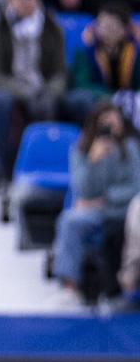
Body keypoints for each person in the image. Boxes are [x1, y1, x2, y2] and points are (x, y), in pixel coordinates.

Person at [0, 0, 66, 194]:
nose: (30, 2)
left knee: (77, 103)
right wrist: (25, 93)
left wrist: (50, 91)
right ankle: (3, 176)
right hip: (5, 91)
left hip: (42, 91)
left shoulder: (51, 27)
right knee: (1, 102)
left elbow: (60, 73)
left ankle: (60, 172)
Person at [52, 102, 140, 295]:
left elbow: (136, 186)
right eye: (106, 121)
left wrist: (106, 198)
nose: (111, 126)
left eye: (115, 121)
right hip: (93, 211)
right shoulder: (81, 151)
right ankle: (69, 286)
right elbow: (82, 188)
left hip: (124, 210)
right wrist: (92, 161)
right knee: (69, 221)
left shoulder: (131, 148)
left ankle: (126, 285)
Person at [64, 1, 140, 126]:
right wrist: (112, 96)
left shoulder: (135, 53)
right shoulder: (85, 51)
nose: (103, 29)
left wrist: (128, 97)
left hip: (128, 101)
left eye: (110, 25)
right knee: (81, 99)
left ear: (123, 30)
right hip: (97, 99)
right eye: (100, 24)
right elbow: (82, 84)